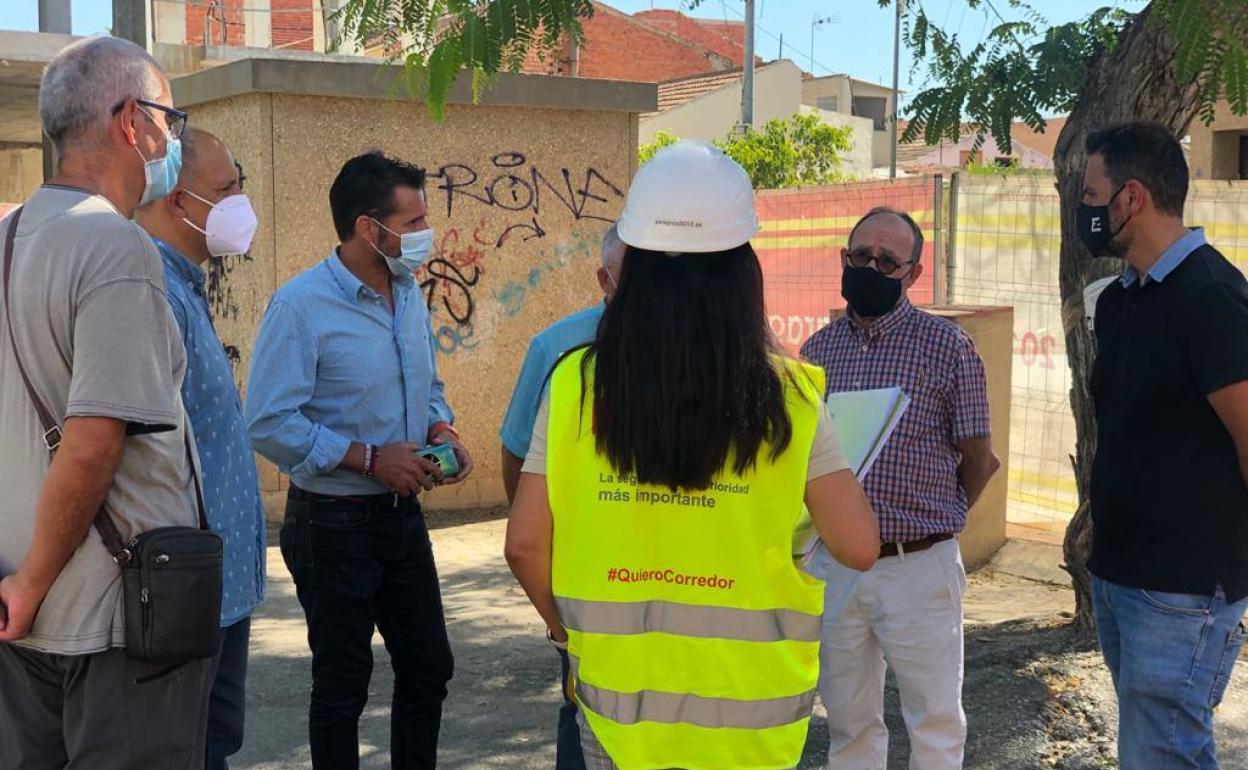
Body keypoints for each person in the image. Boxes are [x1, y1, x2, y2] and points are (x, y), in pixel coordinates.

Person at [505, 141, 880, 770]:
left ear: (634, 268)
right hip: (754, 717)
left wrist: (566, 630)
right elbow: (859, 545)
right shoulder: (791, 397)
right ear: (742, 274)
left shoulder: (574, 383)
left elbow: (523, 546)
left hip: (618, 710)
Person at [0, 36, 215, 768]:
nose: (172, 139)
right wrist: (30, 585)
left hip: (23, 617)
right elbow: (94, 441)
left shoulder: (9, 240)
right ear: (132, 122)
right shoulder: (114, 246)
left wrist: (20, 586)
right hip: (115, 620)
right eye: (170, 121)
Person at [246, 150, 472, 770]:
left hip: (400, 518)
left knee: (429, 667)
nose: (426, 233)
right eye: (415, 219)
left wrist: (441, 428)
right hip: (331, 523)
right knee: (343, 685)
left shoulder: (406, 293)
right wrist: (370, 459)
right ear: (369, 229)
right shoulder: (301, 306)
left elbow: (425, 384)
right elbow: (266, 421)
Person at [800, 206, 1000, 770]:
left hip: (918, 566)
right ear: (844, 258)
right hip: (836, 569)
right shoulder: (816, 354)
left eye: (887, 261)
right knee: (848, 722)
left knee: (934, 722)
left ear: (913, 273)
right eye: (860, 255)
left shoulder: (948, 348)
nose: (870, 266)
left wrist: (943, 520)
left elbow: (980, 458)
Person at [1081, 122, 1248, 770]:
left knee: (1163, 756)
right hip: (1121, 578)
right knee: (1151, 750)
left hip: (1183, 591)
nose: (1085, 208)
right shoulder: (1122, 301)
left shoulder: (1213, 299)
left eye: (1092, 192)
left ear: (1131, 199)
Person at [135, 128, 266, 770]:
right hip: (187, 593)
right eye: (227, 190)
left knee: (214, 742)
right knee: (194, 748)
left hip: (218, 587)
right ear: (177, 201)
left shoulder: (187, 285)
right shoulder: (155, 291)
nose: (242, 204)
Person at [499, 223, 625, 770]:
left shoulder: (702, 347)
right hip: (582, 581)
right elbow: (516, 453)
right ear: (604, 278)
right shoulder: (559, 348)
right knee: (582, 710)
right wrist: (552, 603)